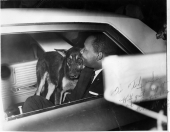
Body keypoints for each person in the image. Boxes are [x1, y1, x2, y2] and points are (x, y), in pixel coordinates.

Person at [23, 32, 118, 113]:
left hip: (78, 119)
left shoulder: (109, 81)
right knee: (32, 102)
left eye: (85, 49)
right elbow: (72, 98)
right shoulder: (87, 70)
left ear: (98, 56)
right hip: (68, 111)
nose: (81, 51)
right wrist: (58, 110)